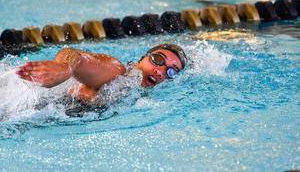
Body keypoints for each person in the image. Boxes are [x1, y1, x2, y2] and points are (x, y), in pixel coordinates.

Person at [16, 44, 187, 105]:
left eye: (171, 72)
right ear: (141, 59)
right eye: (157, 59)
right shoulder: (118, 73)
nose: (160, 71)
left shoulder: (133, 93)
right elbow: (76, 56)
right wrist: (64, 67)